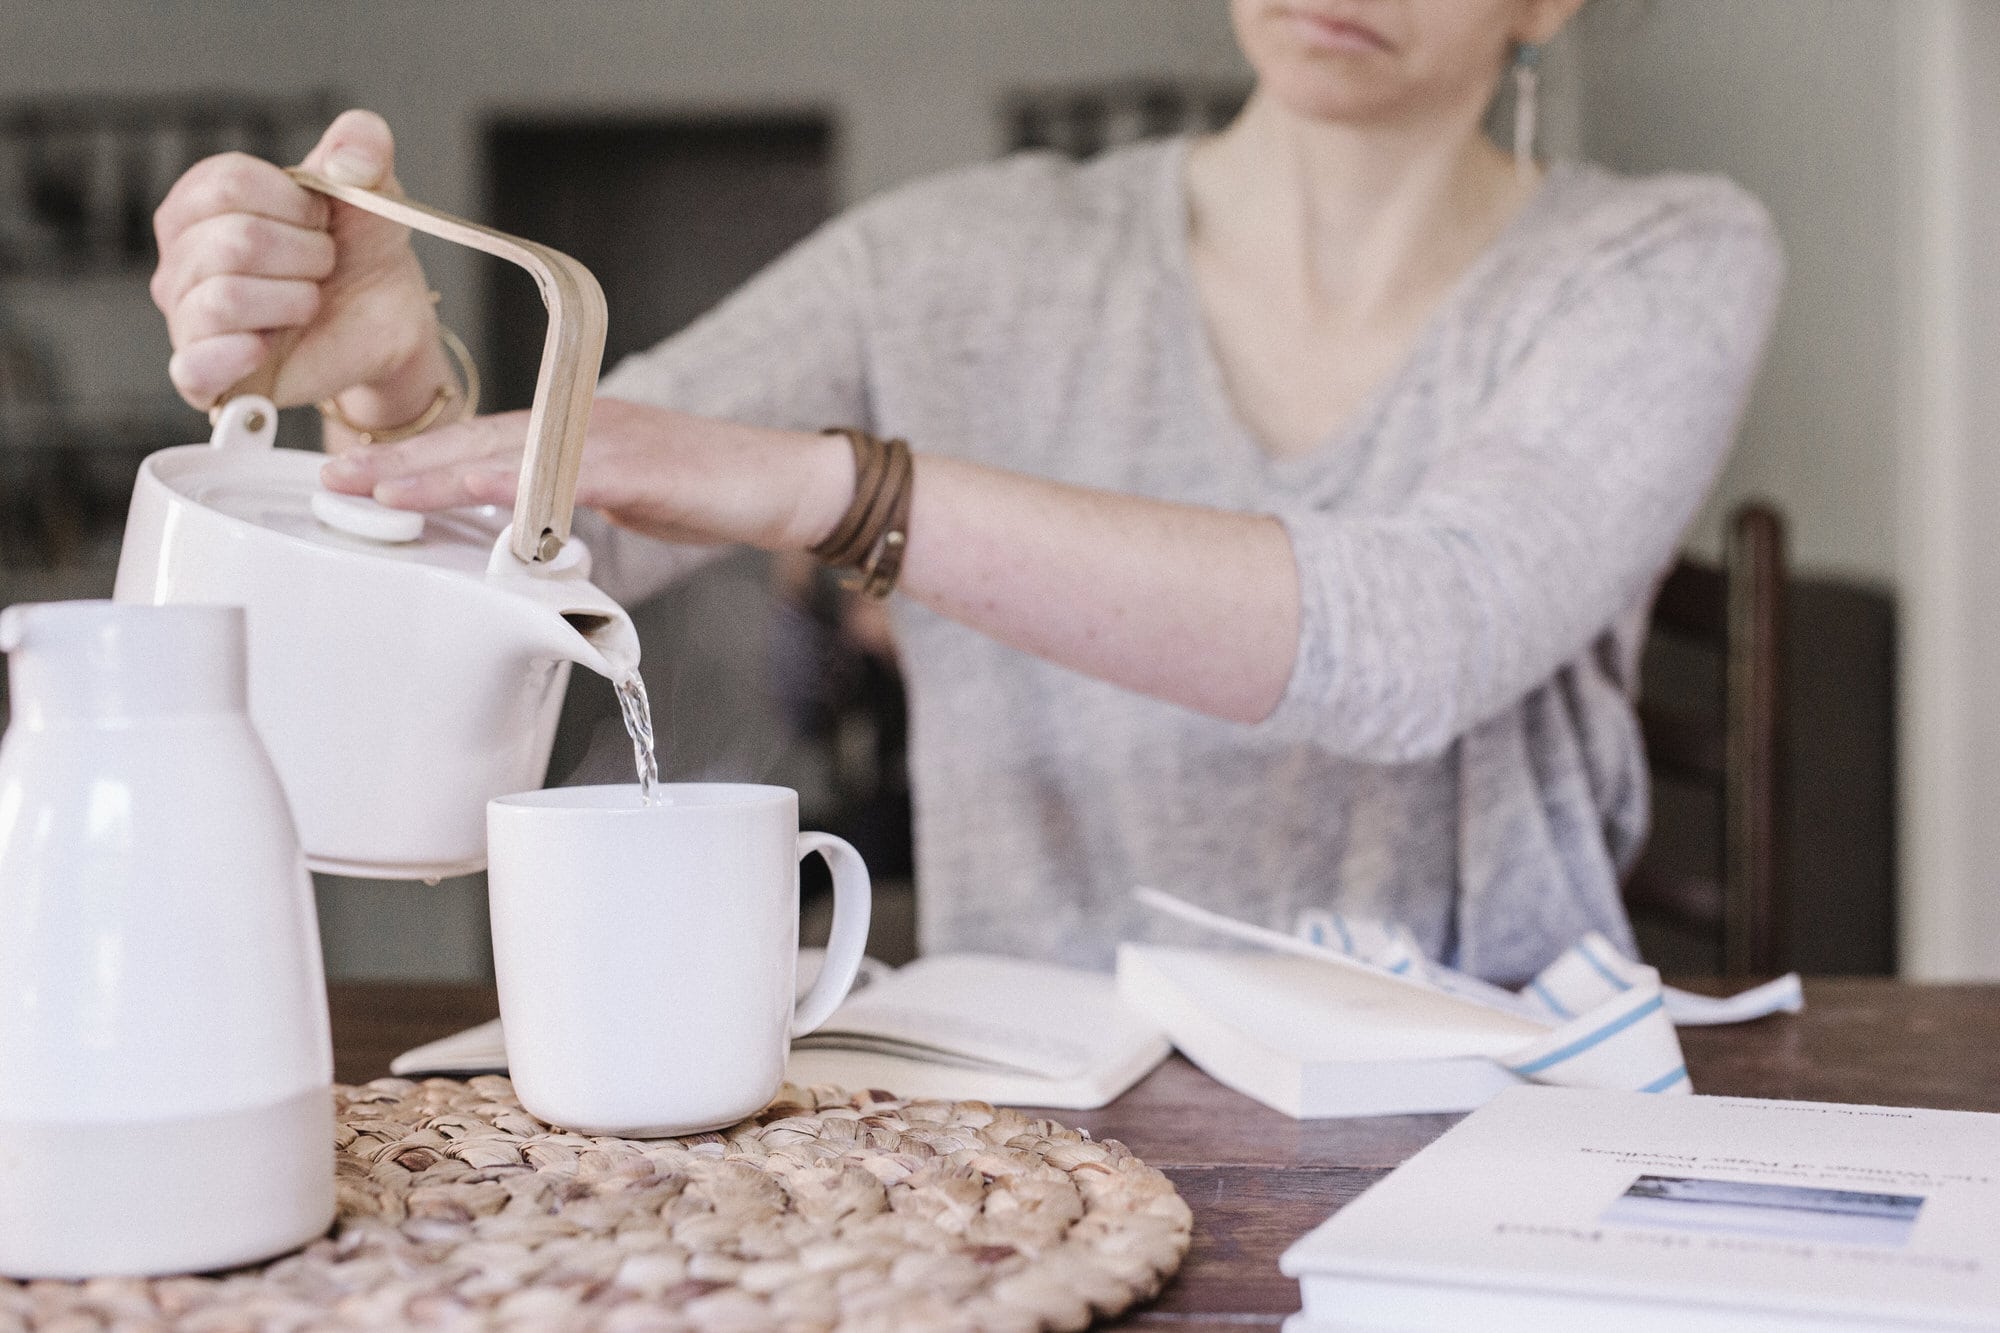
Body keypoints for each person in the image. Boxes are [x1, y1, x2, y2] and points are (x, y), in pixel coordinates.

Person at [148, 0, 1781, 983]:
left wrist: (832, 492)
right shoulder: (952, 257)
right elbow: (524, 548)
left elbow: (1419, 636)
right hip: (1040, 1126)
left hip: (1481, 1137)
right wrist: (387, 378)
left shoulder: (1660, 260)